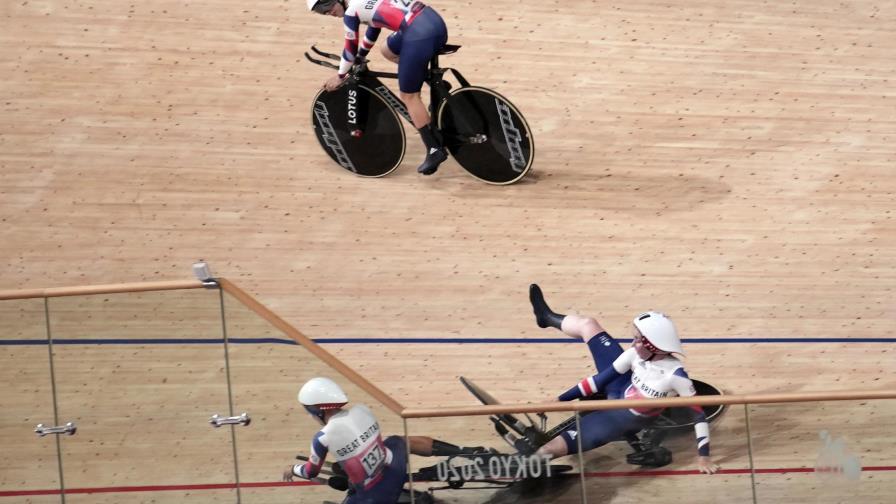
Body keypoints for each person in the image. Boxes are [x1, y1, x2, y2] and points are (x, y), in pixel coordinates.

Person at [527, 284, 720, 475]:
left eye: (637, 339)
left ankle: (522, 469)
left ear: (652, 345)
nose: (632, 343)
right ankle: (546, 317)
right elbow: (599, 381)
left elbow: (699, 416)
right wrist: (559, 400)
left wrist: (704, 456)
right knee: (588, 325)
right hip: (622, 387)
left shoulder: (676, 376)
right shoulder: (633, 354)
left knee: (548, 450)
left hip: (618, 420)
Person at [282, 377, 482, 503]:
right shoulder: (362, 409)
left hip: (375, 493)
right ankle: (464, 451)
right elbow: (371, 441)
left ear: (316, 410)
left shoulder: (322, 437)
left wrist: (292, 469)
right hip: (395, 465)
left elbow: (310, 471)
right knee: (398, 440)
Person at [307, 0, 449, 176]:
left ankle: (435, 149)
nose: (327, 13)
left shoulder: (351, 12)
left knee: (409, 96)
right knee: (388, 50)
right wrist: (361, 55)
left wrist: (341, 75)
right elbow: (374, 27)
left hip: (418, 35)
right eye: (321, 12)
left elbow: (349, 49)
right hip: (433, 22)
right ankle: (435, 84)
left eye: (325, 6)